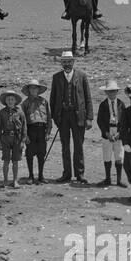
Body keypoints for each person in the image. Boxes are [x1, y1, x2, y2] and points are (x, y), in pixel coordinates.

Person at [50, 51, 93, 183]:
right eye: (64, 61)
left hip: (78, 115)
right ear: (61, 63)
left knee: (78, 145)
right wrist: (55, 118)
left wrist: (89, 118)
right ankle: (67, 174)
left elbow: (88, 98)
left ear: (73, 62)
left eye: (69, 61)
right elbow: (53, 99)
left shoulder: (82, 76)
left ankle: (80, 174)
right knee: (65, 146)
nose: (67, 64)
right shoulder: (56, 77)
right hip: (63, 116)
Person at [96, 79, 126, 188]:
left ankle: (118, 179)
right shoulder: (103, 105)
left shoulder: (121, 104)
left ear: (117, 92)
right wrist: (107, 133)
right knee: (107, 154)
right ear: (106, 92)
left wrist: (119, 133)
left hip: (118, 130)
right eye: (110, 91)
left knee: (119, 155)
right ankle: (108, 178)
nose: (112, 93)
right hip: (108, 130)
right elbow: (100, 121)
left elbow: (124, 120)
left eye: (114, 91)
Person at [0, 89, 27, 188]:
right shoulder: (2, 112)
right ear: (5, 101)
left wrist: (22, 141)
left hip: (17, 139)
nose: (10, 101)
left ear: (15, 101)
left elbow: (24, 127)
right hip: (5, 138)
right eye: (8, 99)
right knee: (6, 160)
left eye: (12, 99)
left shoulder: (20, 112)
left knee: (15, 161)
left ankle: (15, 181)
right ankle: (5, 181)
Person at [21, 79, 50, 184]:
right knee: (29, 153)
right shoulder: (25, 103)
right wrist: (25, 135)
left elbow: (49, 117)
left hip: (42, 129)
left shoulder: (44, 102)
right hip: (31, 130)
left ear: (38, 90)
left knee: (41, 153)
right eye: (31, 88)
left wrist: (48, 132)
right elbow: (23, 121)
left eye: (36, 88)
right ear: (28, 90)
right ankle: (31, 176)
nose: (34, 90)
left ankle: (41, 175)